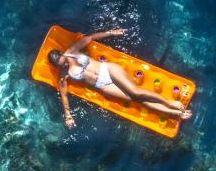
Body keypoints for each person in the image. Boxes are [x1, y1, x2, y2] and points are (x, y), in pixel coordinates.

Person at [49, 28, 192, 130]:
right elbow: (63, 94)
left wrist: (111, 33)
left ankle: (169, 103)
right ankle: (174, 113)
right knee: (137, 100)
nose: (66, 64)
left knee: (135, 92)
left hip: (108, 70)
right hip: (103, 85)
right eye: (62, 65)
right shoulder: (63, 75)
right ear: (58, 66)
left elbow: (89, 38)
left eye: (65, 61)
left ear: (63, 54)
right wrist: (68, 115)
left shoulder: (72, 51)